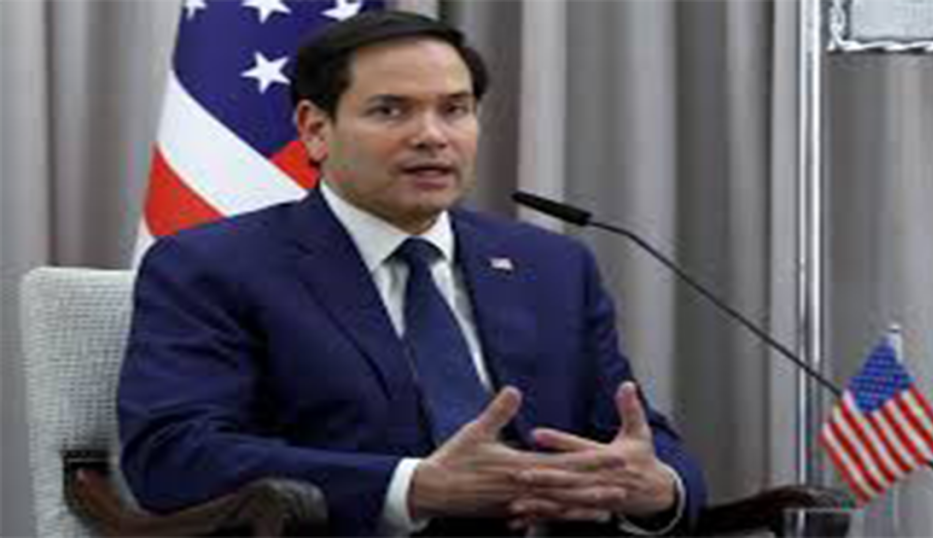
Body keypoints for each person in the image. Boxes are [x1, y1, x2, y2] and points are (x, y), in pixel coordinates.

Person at [118, 10, 706, 537]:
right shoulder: (214, 266)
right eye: (390, 110)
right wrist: (413, 487)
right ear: (315, 129)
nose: (432, 136)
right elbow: (174, 457)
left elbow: (635, 436)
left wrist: (658, 489)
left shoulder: (552, 265)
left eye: (455, 109)